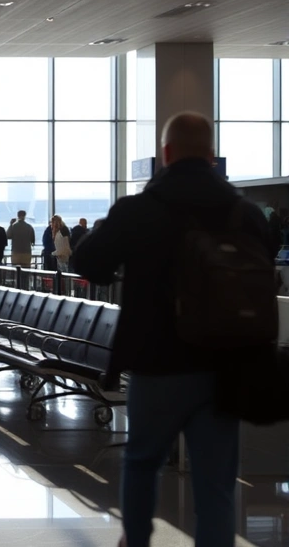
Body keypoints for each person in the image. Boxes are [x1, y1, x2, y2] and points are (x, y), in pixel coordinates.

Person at [71, 111, 276, 547]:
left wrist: (119, 229)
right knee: (216, 485)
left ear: (165, 155)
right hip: (226, 368)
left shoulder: (139, 209)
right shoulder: (244, 213)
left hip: (156, 362)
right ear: (210, 155)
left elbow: (88, 264)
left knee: (143, 462)